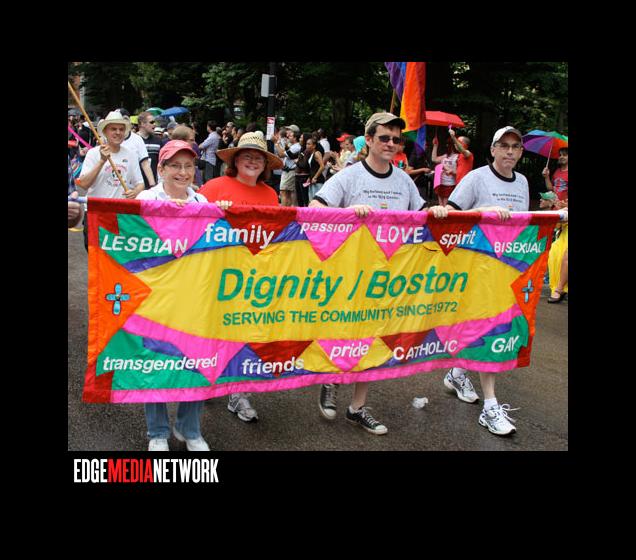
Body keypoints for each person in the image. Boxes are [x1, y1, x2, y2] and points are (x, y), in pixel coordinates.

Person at [309, 112, 448, 435]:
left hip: (388, 278)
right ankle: (331, 379)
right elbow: (315, 209)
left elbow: (421, 216)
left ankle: (357, 408)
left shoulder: (403, 180)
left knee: (374, 339)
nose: (391, 144)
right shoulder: (350, 176)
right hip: (349, 276)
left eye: (396, 140)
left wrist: (435, 212)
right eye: (384, 137)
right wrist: (346, 213)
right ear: (369, 140)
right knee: (344, 333)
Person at [441, 125, 532, 436]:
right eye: (504, 145)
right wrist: (483, 211)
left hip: (506, 272)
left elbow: (521, 226)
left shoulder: (522, 182)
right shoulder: (476, 178)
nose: (509, 151)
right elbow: (449, 215)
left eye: (515, 147)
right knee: (491, 331)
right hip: (475, 269)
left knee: (486, 328)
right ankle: (490, 407)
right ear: (492, 149)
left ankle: (457, 373)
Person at [198, 132, 282, 423]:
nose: (252, 161)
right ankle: (205, 379)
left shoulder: (271, 195)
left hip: (251, 279)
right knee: (210, 331)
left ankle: (238, 393)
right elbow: (190, 223)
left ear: (265, 165)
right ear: (234, 160)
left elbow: (278, 237)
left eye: (258, 158)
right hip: (213, 274)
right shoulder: (213, 187)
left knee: (244, 335)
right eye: (247, 155)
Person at [135, 140, 210, 451]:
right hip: (155, 296)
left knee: (197, 360)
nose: (183, 172)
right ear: (161, 168)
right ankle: (157, 432)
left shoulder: (203, 201)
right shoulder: (145, 199)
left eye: (189, 166)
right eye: (175, 166)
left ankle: (189, 429)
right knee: (155, 361)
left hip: (194, 296)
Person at [77, 110, 145, 250]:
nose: (118, 132)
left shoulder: (131, 155)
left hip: (121, 215)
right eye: (113, 129)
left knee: (117, 259)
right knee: (95, 256)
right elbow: (83, 184)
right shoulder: (93, 154)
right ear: (105, 132)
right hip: (95, 214)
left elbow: (140, 184)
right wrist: (102, 161)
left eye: (121, 129)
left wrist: (134, 192)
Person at [275, 124, 301, 207]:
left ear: (295, 135)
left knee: (284, 192)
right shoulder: (292, 145)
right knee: (288, 192)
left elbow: (281, 154)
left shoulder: (296, 147)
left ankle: (284, 211)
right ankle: (288, 210)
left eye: (290, 131)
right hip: (288, 171)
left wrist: (276, 144)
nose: (288, 133)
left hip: (290, 171)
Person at [136, 111, 162, 188]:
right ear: (142, 124)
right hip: (136, 186)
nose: (155, 124)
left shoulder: (158, 141)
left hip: (153, 185)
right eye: (151, 122)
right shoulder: (133, 140)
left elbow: (161, 163)